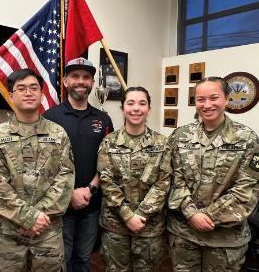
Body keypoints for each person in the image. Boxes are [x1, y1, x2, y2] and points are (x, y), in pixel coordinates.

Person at [0, 68, 74, 271]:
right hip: (9, 233)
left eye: (34, 88)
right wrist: (28, 218)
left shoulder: (58, 133)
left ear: (41, 94)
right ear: (11, 95)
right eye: (21, 88)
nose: (28, 93)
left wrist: (38, 218)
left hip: (48, 230)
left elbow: (65, 178)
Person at [167, 76, 259, 272]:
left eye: (214, 98)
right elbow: (174, 178)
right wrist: (191, 213)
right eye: (200, 99)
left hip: (225, 240)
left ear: (226, 99)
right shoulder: (180, 136)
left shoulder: (247, 139)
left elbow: (247, 188)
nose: (207, 105)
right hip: (184, 235)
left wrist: (207, 216)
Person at [43, 57, 114, 272]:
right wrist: (69, 193)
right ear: (65, 81)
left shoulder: (103, 119)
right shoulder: (50, 117)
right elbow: (45, 164)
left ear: (93, 83)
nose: (80, 81)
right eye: (75, 76)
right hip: (59, 207)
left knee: (83, 260)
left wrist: (90, 190)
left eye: (86, 77)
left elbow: (108, 161)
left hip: (91, 205)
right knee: (59, 261)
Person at [97, 87, 170, 272]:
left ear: (149, 109)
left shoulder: (163, 143)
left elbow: (164, 182)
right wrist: (127, 215)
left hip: (150, 226)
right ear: (123, 109)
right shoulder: (109, 142)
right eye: (130, 103)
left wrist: (142, 214)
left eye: (142, 103)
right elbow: (106, 180)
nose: (136, 108)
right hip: (115, 225)